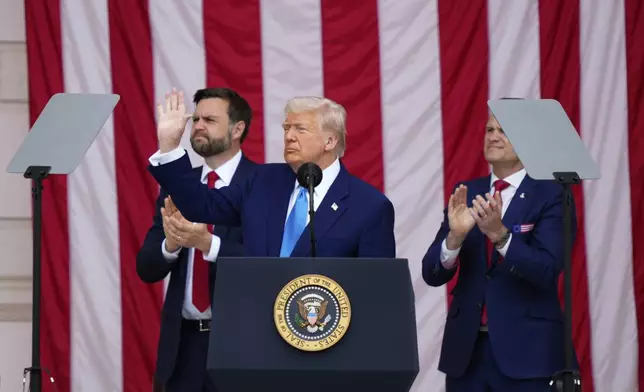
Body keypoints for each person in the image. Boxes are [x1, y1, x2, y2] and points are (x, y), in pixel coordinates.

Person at [422, 107, 578, 391]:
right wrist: (454, 239)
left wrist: (501, 237)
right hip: (467, 355)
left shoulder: (553, 193)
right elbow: (432, 274)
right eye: (489, 129)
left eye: (504, 130)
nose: (493, 137)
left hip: (529, 354)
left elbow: (547, 269)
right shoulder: (467, 191)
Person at [147, 90, 395, 259]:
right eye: (287, 127)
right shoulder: (261, 182)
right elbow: (201, 206)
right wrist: (169, 145)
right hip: (258, 330)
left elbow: (376, 290)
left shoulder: (370, 207)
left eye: (300, 129)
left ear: (330, 141)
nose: (289, 136)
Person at [136, 87, 257, 392]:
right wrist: (172, 244)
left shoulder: (262, 185)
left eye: (210, 119)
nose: (199, 125)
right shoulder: (178, 185)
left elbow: (266, 262)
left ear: (237, 129)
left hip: (241, 345)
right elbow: (146, 268)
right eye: (196, 119)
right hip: (183, 348)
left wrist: (207, 244)